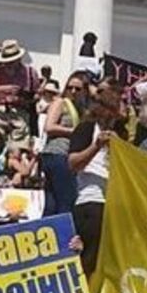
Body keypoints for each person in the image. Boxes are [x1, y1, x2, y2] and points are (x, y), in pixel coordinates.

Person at [68, 88, 127, 275]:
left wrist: (119, 150)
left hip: (114, 204)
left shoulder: (121, 133)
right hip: (91, 200)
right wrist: (96, 146)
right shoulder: (86, 129)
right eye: (111, 110)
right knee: (88, 256)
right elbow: (73, 163)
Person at [40, 71, 86, 215]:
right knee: (67, 201)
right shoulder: (60, 102)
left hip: (62, 155)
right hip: (58, 153)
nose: (73, 91)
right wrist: (74, 131)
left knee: (52, 203)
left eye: (78, 89)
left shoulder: (81, 109)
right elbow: (49, 127)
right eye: (70, 87)